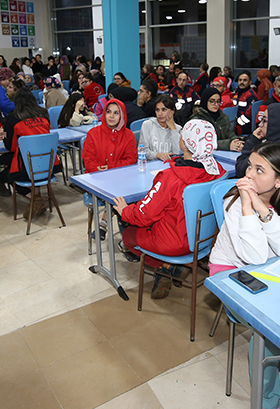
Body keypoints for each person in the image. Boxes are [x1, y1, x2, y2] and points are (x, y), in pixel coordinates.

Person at [209, 141, 280, 409]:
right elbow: (253, 258)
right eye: (250, 167)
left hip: (277, 269)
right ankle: (267, 400)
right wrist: (248, 205)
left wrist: (264, 211)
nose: (248, 175)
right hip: (233, 273)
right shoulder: (234, 201)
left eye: (259, 170)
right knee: (269, 329)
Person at [114, 119, 225, 299]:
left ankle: (164, 268)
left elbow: (144, 215)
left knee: (128, 236)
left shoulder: (170, 177)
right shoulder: (218, 171)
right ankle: (169, 267)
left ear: (184, 143)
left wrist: (125, 210)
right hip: (205, 239)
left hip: (173, 242)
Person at [3, 88, 59, 220]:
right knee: (35, 162)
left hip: (26, 167)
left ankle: (36, 199)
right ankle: (37, 198)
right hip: (49, 165)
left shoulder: (13, 117)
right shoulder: (44, 114)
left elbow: (10, 146)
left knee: (9, 175)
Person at [235, 103, 280, 177]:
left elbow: (240, 170)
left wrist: (253, 140)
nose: (260, 125)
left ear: (276, 123)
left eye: (264, 121)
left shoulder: (269, 152)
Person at [83, 98, 137, 172]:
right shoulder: (92, 134)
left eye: (116, 113)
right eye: (108, 112)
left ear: (122, 115)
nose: (111, 116)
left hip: (120, 175)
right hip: (95, 176)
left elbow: (131, 159)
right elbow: (88, 160)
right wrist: (98, 169)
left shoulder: (128, 135)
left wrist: (111, 167)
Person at [191, 87, 243, 151]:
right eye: (212, 101)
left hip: (222, 152)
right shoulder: (198, 120)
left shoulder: (223, 116)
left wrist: (237, 142)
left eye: (218, 101)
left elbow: (229, 133)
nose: (216, 104)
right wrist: (228, 145)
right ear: (205, 101)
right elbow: (203, 142)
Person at [138, 94, 182, 161]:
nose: (160, 114)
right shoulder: (147, 125)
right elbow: (142, 151)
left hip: (170, 166)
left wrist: (173, 128)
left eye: (164, 110)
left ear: (172, 111)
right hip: (151, 166)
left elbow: (178, 153)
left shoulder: (178, 129)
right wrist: (158, 155)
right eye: (157, 110)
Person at [233, 70, 259, 135]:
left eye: (245, 80)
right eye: (240, 80)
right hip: (236, 122)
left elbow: (247, 116)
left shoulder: (251, 95)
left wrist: (236, 124)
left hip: (245, 126)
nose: (242, 82)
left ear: (250, 82)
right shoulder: (237, 92)